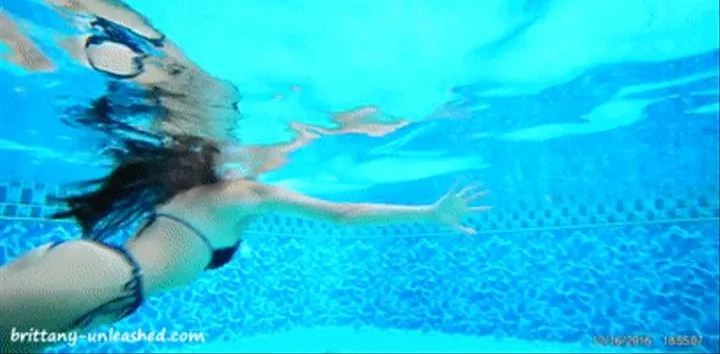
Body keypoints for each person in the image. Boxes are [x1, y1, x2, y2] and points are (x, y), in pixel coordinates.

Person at [0, 135, 490, 353]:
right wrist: (427, 213)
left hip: (105, 290)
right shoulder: (243, 191)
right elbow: (344, 214)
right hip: (101, 278)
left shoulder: (182, 188)